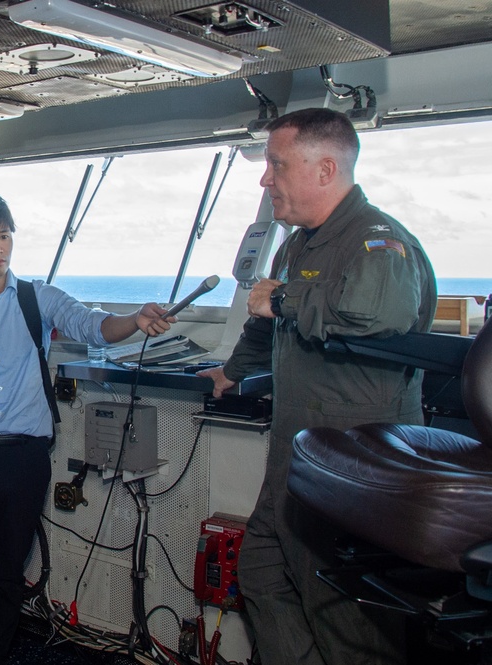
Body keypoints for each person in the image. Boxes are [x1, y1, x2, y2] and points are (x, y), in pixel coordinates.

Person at [198, 108, 437, 665]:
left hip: (353, 466)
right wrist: (231, 371)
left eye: (276, 165)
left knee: (344, 614)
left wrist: (281, 299)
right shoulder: (297, 245)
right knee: (259, 573)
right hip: (295, 455)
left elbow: (375, 312)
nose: (265, 179)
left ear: (325, 169)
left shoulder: (378, 241)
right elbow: (263, 320)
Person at [0, 192, 173, 665]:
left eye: (5, 235)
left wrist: (135, 319)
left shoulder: (37, 298)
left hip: (24, 460)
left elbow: (92, 326)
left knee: (9, 575)